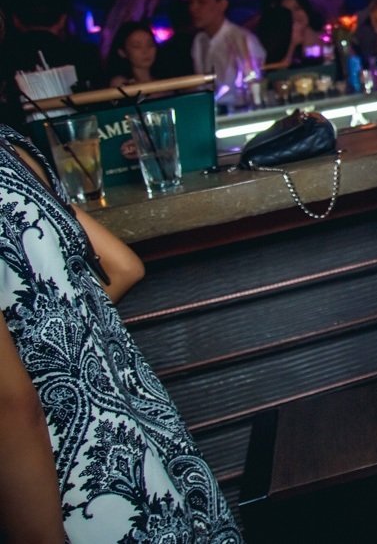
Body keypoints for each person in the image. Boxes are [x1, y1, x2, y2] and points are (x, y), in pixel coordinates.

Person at [0, 124, 241, 543]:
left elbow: (10, 404)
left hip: (67, 485)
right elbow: (123, 266)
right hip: (145, 460)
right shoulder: (10, 146)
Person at [188, 0, 266, 100]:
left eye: (201, 2)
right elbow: (202, 86)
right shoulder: (199, 41)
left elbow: (255, 85)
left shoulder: (243, 39)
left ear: (222, 4)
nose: (193, 8)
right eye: (191, 2)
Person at [106, 21, 162, 87]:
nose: (146, 51)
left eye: (150, 44)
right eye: (136, 46)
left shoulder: (164, 80)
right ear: (122, 52)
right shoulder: (122, 83)